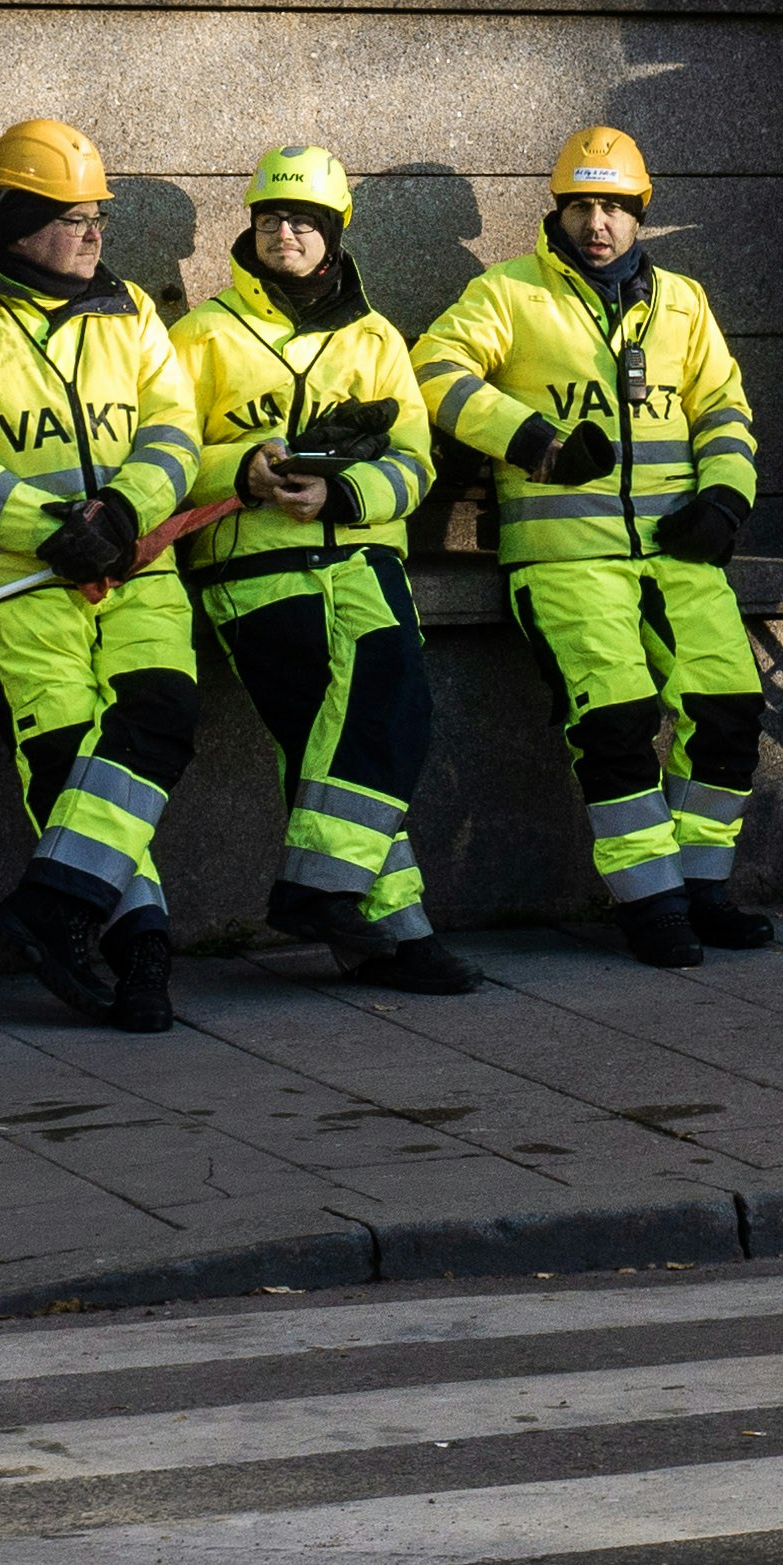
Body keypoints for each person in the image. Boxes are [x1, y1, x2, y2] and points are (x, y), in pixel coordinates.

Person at [416, 125, 771, 969]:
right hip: (566, 560)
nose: (597, 222)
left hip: (680, 553)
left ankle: (701, 887)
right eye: (582, 205)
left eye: (613, 205)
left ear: (638, 213)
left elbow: (723, 408)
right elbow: (434, 369)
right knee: (615, 722)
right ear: (558, 211)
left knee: (728, 710)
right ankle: (649, 905)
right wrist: (533, 439)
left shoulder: (683, 301)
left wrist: (725, 498)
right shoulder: (507, 292)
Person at [0, 119, 202, 1034]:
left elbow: (174, 432)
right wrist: (50, 532)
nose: (92, 232)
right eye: (70, 216)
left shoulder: (134, 314)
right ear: (13, 219)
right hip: (13, 584)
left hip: (138, 571)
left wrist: (120, 514)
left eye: (96, 216)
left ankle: (52, 907)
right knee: (71, 764)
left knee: (160, 719)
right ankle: (139, 939)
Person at [173, 148, 481, 996]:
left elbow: (416, 464)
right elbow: (157, 456)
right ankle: (394, 932)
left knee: (395, 711)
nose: (285, 233)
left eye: (304, 221)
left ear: (335, 233)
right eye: (271, 218)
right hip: (253, 566)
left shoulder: (376, 338)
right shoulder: (199, 334)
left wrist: (342, 491)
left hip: (362, 555)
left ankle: (327, 897)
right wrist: (241, 468)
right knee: (324, 732)